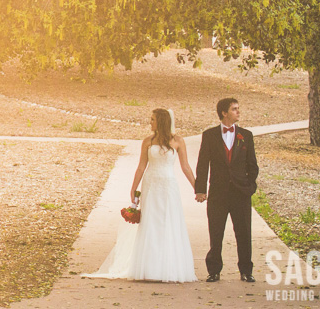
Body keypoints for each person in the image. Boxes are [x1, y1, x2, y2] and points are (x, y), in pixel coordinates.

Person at [84, 108, 197, 282]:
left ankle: (168, 267)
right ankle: (149, 267)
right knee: (150, 223)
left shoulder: (178, 141)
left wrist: (197, 187)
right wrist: (134, 188)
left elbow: (185, 167)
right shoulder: (147, 142)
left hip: (168, 186)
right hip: (151, 185)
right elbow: (141, 167)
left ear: (161, 121)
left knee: (168, 222)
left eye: (153, 119)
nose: (150, 122)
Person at [195, 97, 259, 283]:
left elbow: (252, 165)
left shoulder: (246, 135)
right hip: (218, 193)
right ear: (224, 112)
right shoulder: (209, 135)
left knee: (244, 233)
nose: (238, 112)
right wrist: (200, 189)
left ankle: (246, 271)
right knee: (216, 232)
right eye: (234, 109)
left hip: (241, 193)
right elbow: (202, 164)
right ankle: (214, 271)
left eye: (238, 108)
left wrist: (249, 186)